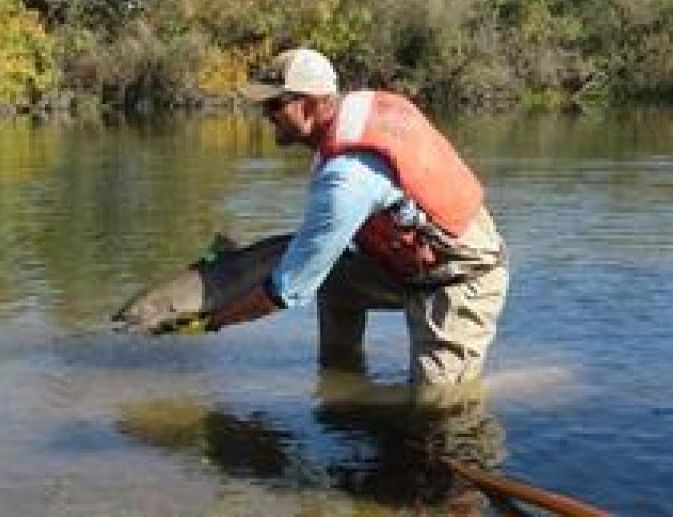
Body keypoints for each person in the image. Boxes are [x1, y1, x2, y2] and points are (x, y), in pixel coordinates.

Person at [207, 48, 507, 385]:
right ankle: (342, 386)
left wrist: (214, 320)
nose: (265, 114)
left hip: (460, 276)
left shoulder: (345, 177)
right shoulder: (356, 114)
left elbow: (287, 290)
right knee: (334, 283)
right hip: (411, 262)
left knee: (438, 414)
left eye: (274, 105)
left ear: (310, 104)